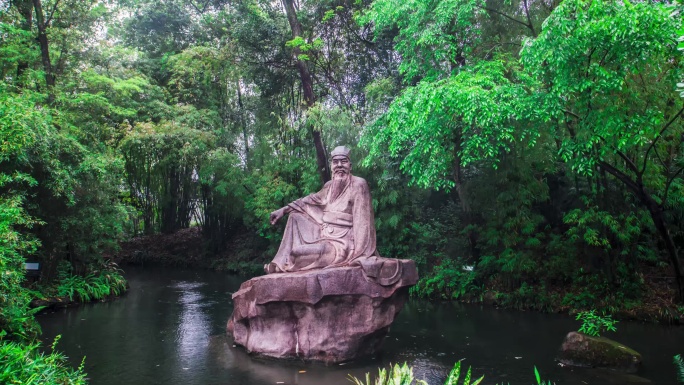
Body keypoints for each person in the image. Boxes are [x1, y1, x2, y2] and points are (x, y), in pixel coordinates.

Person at [265, 146, 402, 285]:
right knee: (295, 216)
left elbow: (363, 223)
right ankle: (282, 262)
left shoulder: (359, 185)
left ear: (350, 165)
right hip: (322, 234)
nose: (339, 165)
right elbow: (309, 200)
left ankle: (292, 263)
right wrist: (283, 210)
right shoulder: (329, 186)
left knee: (296, 253)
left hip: (343, 244)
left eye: (343, 161)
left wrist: (360, 255)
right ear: (331, 166)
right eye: (335, 162)